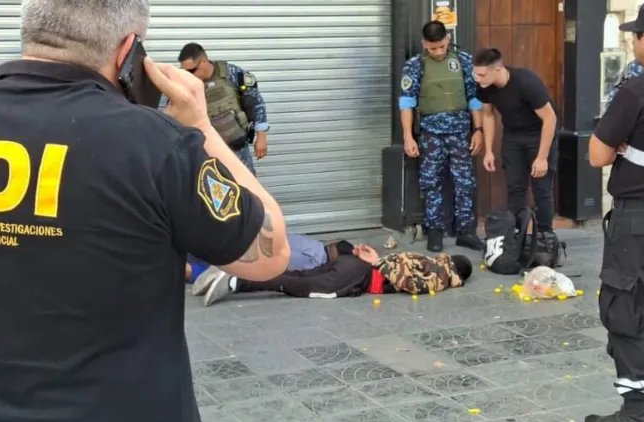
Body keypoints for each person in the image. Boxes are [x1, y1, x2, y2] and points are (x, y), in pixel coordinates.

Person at [0, 1, 292, 422]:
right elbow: (271, 253)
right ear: (129, 51)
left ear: (33, 32)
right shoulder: (157, 146)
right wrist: (202, 126)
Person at [583, 7, 644, 422]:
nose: (633, 42)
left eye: (637, 35)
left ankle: (638, 416)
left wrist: (624, 146)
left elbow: (596, 155)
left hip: (639, 220)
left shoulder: (636, 91)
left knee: (628, 309)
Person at [398, 20, 484, 253]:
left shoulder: (463, 60)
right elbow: (406, 103)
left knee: (464, 182)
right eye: (432, 47)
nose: (437, 52)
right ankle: (434, 232)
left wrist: (478, 130)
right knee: (431, 183)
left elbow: (474, 98)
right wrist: (408, 136)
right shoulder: (415, 66)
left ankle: (466, 232)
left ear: (448, 39)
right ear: (423, 44)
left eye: (441, 46)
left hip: (460, 133)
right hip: (431, 135)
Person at [198, 245, 472, 307]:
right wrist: (377, 261)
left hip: (353, 264)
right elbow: (411, 285)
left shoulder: (427, 260)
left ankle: (233, 271)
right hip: (359, 277)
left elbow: (399, 267)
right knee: (297, 284)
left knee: (296, 274)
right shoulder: (442, 276)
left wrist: (374, 259)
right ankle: (235, 282)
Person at [473, 48, 559, 236]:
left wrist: (542, 158)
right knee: (515, 188)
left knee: (541, 188)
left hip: (539, 134)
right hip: (513, 136)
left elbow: (550, 119)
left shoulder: (526, 82)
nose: (478, 79)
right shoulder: (484, 86)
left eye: (482, 75)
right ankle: (517, 235)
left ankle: (545, 236)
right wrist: (489, 151)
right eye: (475, 74)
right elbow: (488, 115)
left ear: (498, 69)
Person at [178, 43, 269, 175]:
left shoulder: (231, 73)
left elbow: (256, 102)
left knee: (246, 185)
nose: (188, 75)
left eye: (191, 70)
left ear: (203, 61)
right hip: (208, 153)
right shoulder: (184, 84)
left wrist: (261, 136)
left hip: (238, 149)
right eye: (184, 71)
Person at [186, 237, 354, 285]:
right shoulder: (314, 262)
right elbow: (281, 264)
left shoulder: (313, 243)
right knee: (209, 271)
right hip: (250, 256)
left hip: (249, 241)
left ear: (333, 244)